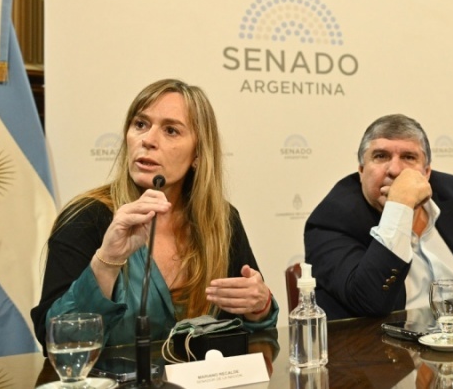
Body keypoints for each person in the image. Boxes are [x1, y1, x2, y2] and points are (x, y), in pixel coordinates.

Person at [31, 79, 278, 348]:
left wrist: (259, 305)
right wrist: (107, 262)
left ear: (198, 154)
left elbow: (253, 333)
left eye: (171, 130)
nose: (148, 140)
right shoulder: (86, 217)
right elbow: (55, 339)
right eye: (140, 125)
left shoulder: (221, 220)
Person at [304, 114, 453, 320]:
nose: (395, 170)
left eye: (409, 157)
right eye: (380, 156)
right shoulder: (332, 218)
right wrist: (399, 206)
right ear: (361, 170)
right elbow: (368, 301)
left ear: (427, 173)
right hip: (388, 346)